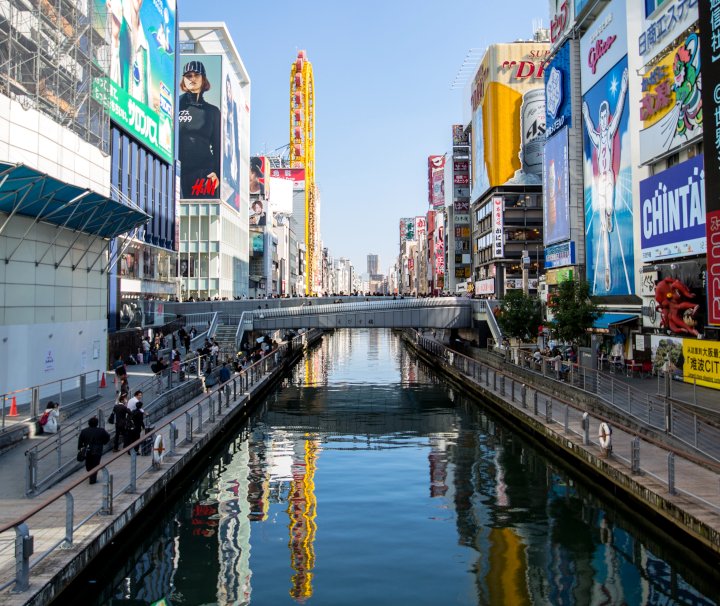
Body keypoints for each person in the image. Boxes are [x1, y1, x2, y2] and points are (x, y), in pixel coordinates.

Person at [582, 67, 629, 292]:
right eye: (600, 116)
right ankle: (607, 270)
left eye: (604, 115)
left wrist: (623, 88)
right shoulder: (597, 136)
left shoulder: (609, 133)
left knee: (608, 210)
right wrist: (584, 113)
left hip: (608, 176)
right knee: (601, 225)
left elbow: (620, 111)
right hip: (599, 180)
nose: (602, 118)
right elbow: (589, 127)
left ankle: (609, 214)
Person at [178, 60, 221, 199]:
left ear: (203, 79)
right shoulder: (174, 105)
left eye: (196, 75)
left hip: (204, 175)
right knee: (174, 215)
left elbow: (217, 147)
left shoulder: (213, 111)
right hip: (177, 171)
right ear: (183, 80)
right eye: (188, 75)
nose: (192, 78)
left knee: (204, 216)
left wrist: (217, 174)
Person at [78, 417, 110, 484]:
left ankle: (91, 475)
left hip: (87, 450)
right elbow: (107, 437)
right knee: (95, 464)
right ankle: (93, 477)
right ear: (97, 423)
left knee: (88, 463)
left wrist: (80, 448)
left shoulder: (84, 431)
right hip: (97, 449)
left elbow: (80, 441)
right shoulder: (101, 430)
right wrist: (103, 442)